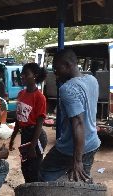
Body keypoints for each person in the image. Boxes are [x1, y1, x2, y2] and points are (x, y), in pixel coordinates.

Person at [39, 49, 101, 182]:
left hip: (70, 147)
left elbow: (78, 122)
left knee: (45, 170)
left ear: (68, 65)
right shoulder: (92, 80)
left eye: (57, 69)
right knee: (81, 180)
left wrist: (77, 160)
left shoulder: (67, 89)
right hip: (92, 143)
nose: (55, 73)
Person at [9, 63, 48, 183]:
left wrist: (32, 147)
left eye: (27, 74)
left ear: (35, 76)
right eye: (22, 74)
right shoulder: (21, 94)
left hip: (35, 137)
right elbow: (19, 118)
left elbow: (39, 124)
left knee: (34, 171)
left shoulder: (39, 97)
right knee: (25, 168)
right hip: (25, 136)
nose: (23, 76)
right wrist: (12, 139)